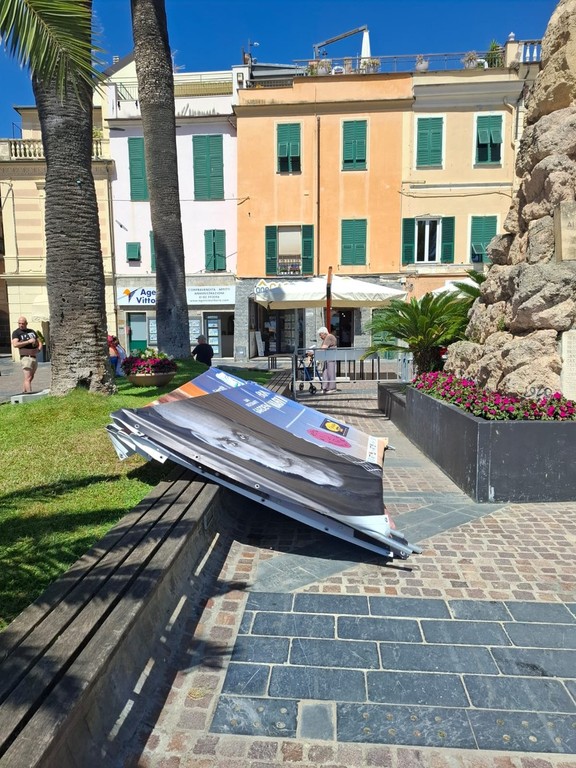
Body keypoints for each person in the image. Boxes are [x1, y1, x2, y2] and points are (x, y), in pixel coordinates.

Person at [12, 316, 43, 394]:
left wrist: (39, 349)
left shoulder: (31, 331)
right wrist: (28, 342)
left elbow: (39, 341)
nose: (21, 325)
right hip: (25, 358)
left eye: (23, 323)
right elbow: (15, 344)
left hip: (34, 357)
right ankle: (29, 394)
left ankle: (24, 392)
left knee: (30, 377)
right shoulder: (16, 333)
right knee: (28, 377)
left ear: (26, 323)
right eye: (19, 323)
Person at [318, 326, 337, 393]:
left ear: (324, 333)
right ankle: (325, 387)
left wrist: (315, 352)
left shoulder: (329, 337)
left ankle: (331, 388)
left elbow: (323, 347)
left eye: (320, 335)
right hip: (328, 357)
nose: (320, 337)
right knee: (326, 372)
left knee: (330, 372)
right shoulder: (328, 337)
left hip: (330, 357)